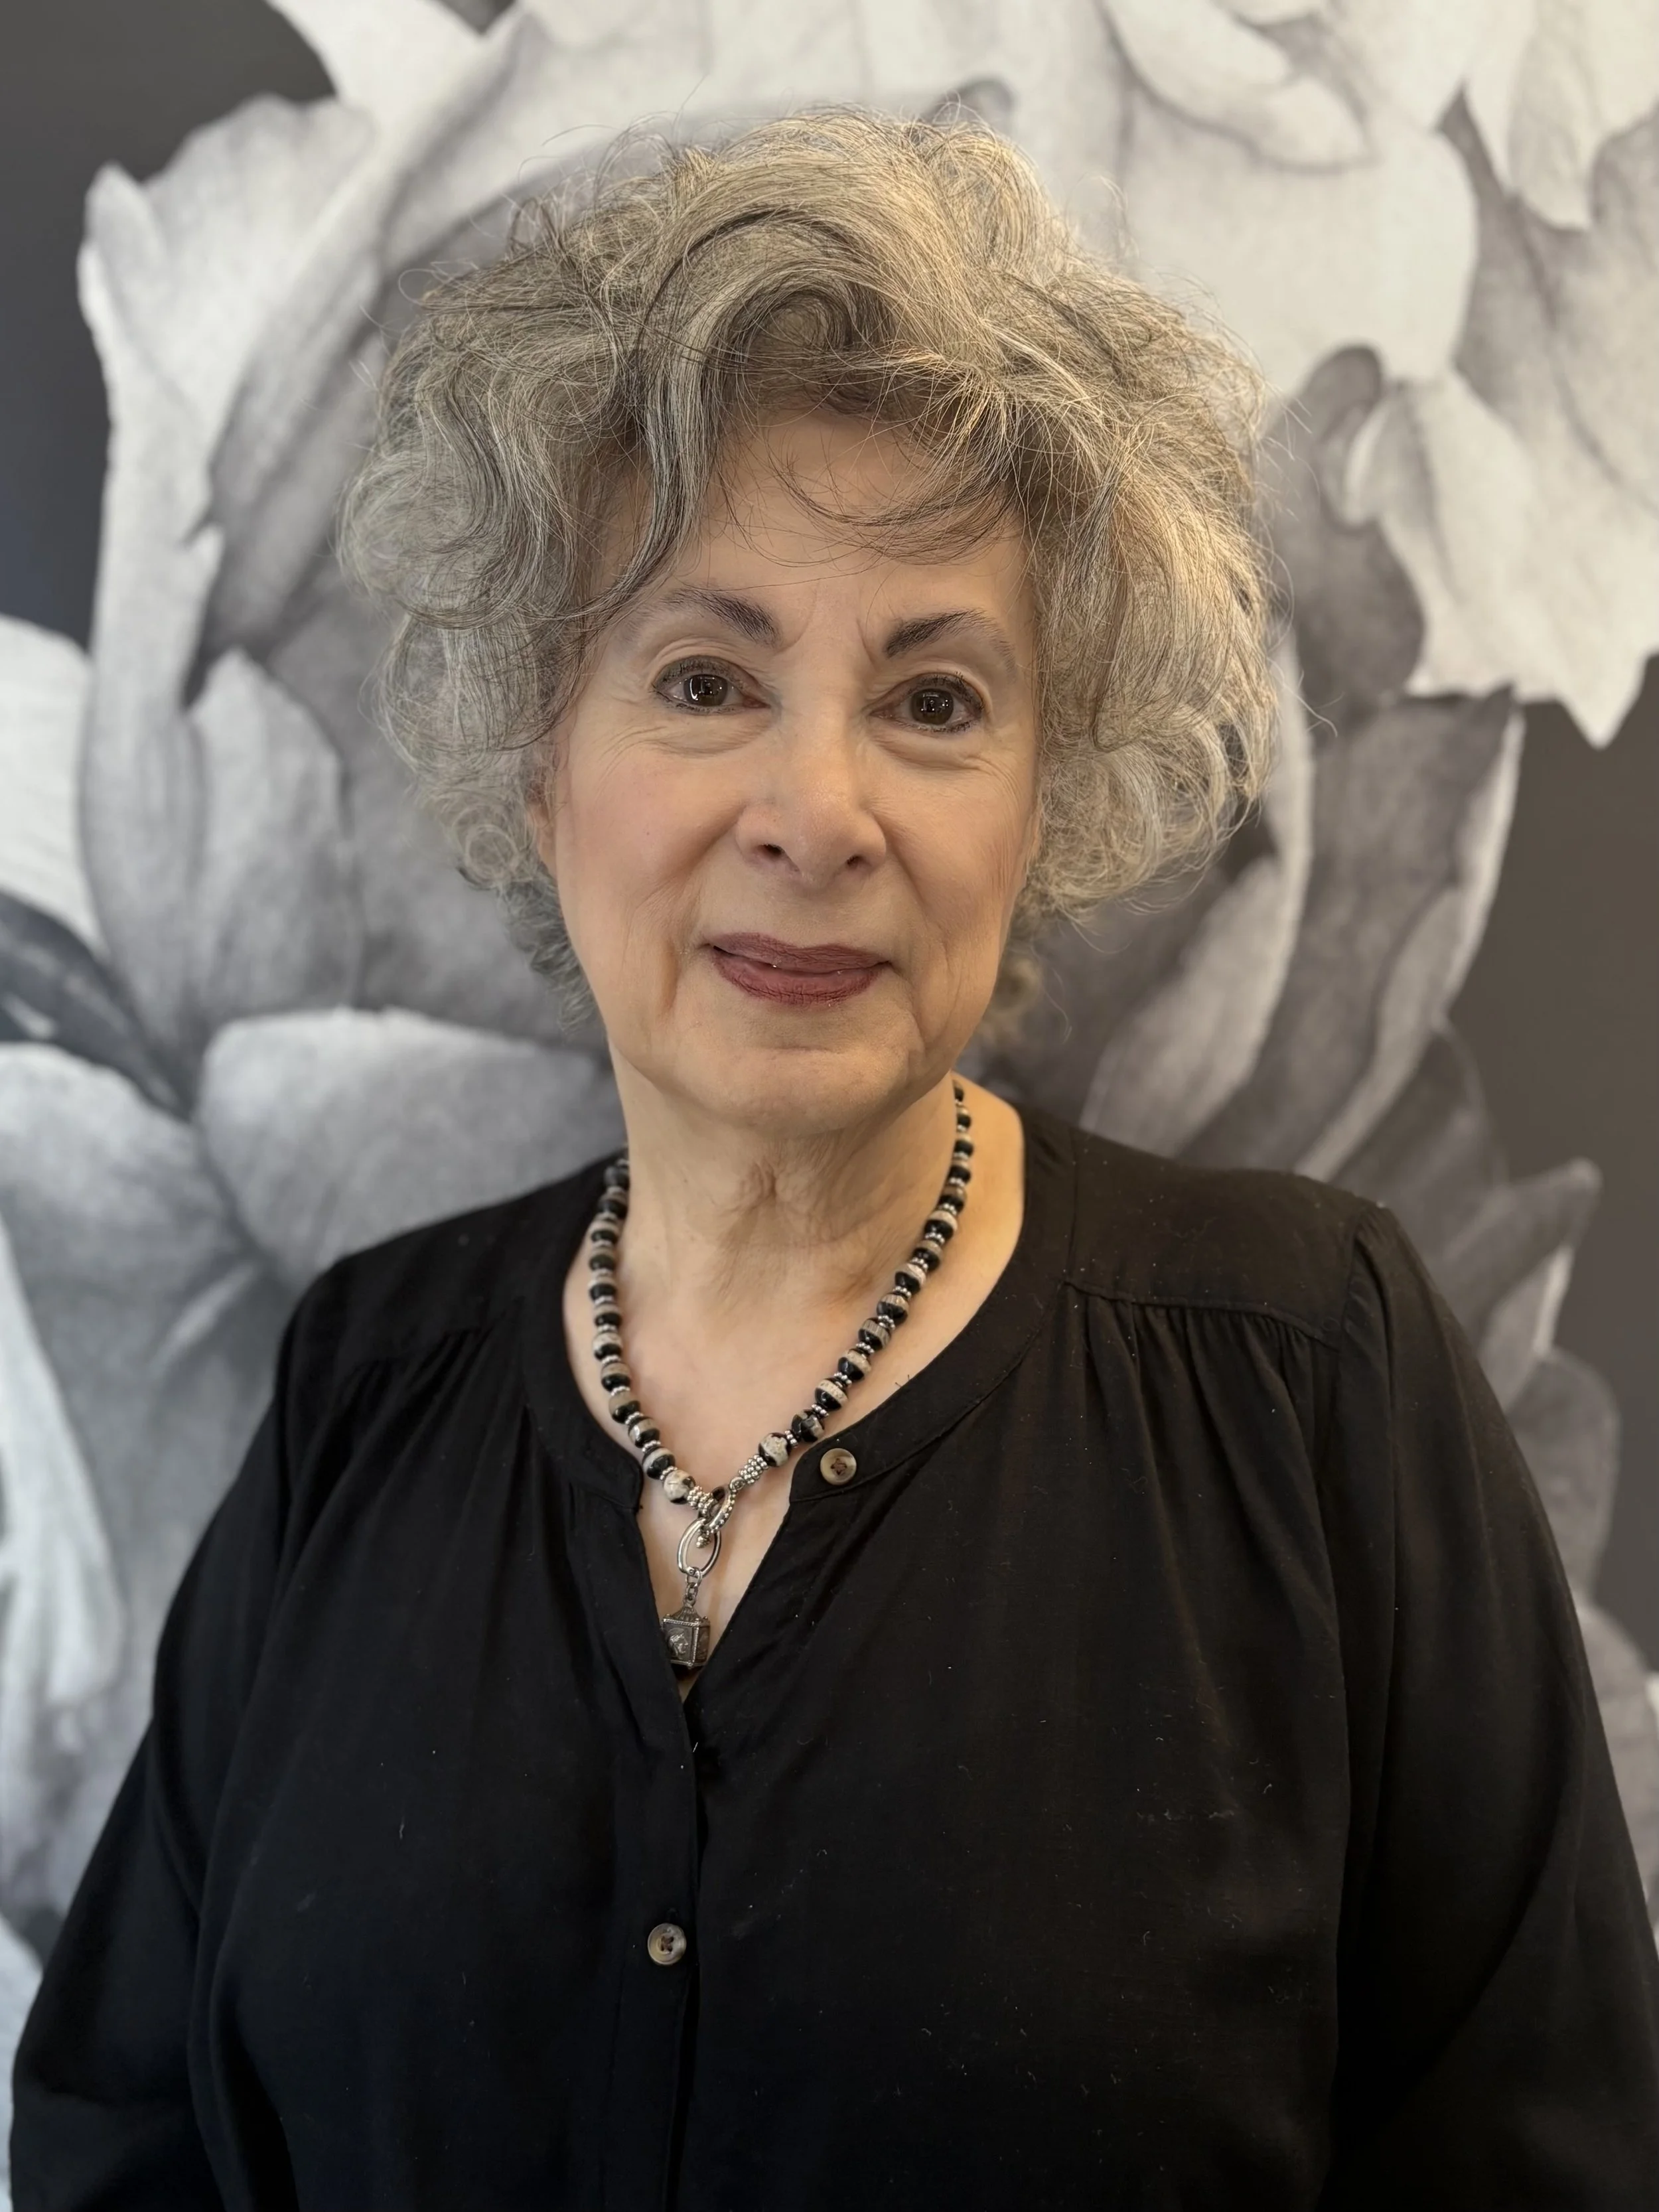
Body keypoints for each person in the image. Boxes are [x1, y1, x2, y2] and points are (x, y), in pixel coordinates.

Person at [11, 110, 1658, 2211]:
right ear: (541, 764)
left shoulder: (1309, 1375)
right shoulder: (365, 1384)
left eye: (936, 699)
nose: (815, 810)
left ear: (1047, 793)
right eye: (704, 679)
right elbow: (121, 2141)